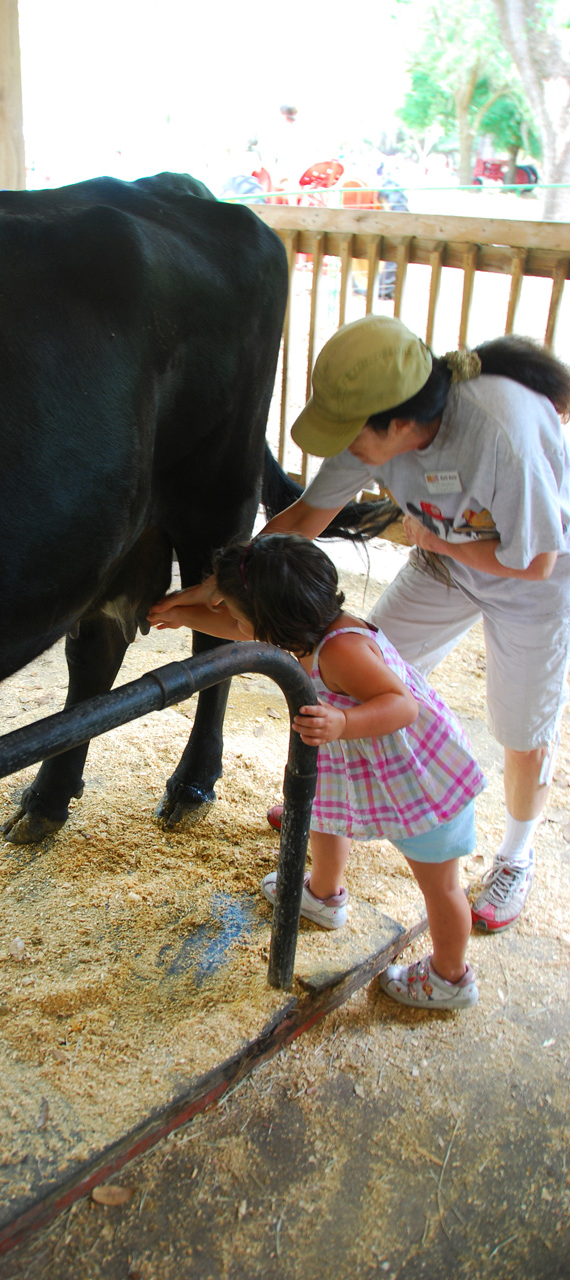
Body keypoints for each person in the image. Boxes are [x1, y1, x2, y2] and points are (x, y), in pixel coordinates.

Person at [150, 314, 570, 935]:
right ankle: (335, 811)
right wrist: (220, 582)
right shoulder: (374, 432)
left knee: (522, 726)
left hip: (536, 584)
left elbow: (535, 560)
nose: (345, 448)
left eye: (352, 434)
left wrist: (443, 543)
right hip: (445, 563)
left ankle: (515, 854)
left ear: (399, 423)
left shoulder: (499, 431)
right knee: (356, 666)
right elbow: (303, 518)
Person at [152, 532, 486, 1010]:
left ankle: (450, 977)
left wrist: (345, 721)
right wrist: (179, 613)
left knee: (442, 886)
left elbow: (402, 706)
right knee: (324, 816)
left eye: (235, 611)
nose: (231, 619)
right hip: (356, 760)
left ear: (272, 620)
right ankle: (324, 895)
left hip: (419, 778)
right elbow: (244, 629)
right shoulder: (304, 626)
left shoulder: (340, 650)